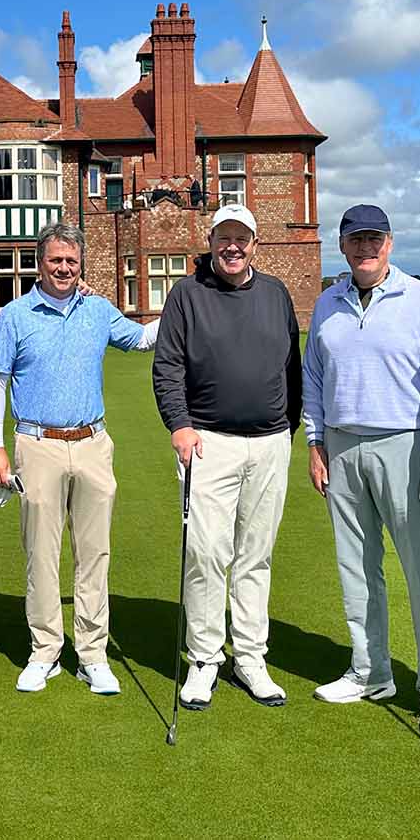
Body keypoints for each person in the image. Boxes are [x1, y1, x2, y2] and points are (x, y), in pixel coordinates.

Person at [303, 204, 420, 736]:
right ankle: (370, 671)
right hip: (343, 446)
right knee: (356, 566)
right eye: (356, 241)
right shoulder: (327, 302)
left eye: (375, 240)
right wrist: (316, 442)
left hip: (407, 443)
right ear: (342, 246)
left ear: (389, 244)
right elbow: (315, 378)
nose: (365, 249)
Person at [0, 223, 160, 696]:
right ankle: (44, 652)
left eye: (71, 262)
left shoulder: (98, 310)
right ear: (41, 263)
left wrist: (188, 306)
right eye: (55, 260)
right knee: (41, 552)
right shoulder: (15, 316)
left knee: (94, 553)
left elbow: (142, 340)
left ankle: (92, 654)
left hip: (92, 444)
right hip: (36, 443)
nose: (63, 268)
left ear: (82, 265)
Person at [152, 204, 301, 709]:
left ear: (255, 244)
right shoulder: (187, 295)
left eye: (241, 238)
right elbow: (168, 365)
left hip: (269, 442)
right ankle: (204, 658)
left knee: (255, 555)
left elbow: (291, 366)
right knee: (207, 553)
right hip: (207, 442)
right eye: (223, 238)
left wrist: (288, 427)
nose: (232, 247)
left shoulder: (276, 293)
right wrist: (180, 425)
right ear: (211, 241)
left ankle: (251, 657)